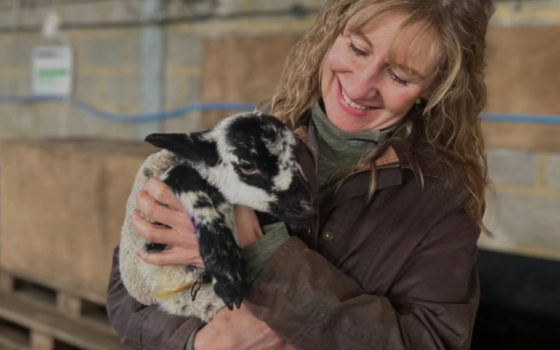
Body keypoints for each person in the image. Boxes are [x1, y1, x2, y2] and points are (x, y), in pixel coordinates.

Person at [107, 0, 495, 349]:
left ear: (435, 87)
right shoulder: (256, 137)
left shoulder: (439, 200)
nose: (360, 87)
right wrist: (199, 342)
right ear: (334, 31)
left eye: (400, 77)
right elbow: (126, 295)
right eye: (357, 48)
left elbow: (431, 342)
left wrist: (260, 256)